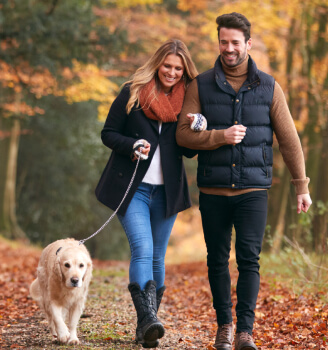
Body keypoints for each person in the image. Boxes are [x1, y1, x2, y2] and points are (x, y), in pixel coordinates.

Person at [176, 13, 312, 350]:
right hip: (212, 189)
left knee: (249, 260)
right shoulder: (201, 85)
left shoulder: (268, 86)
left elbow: (289, 140)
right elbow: (182, 136)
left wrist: (302, 186)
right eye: (224, 42)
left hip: (253, 190)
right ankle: (224, 326)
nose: (229, 48)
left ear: (248, 44)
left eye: (236, 42)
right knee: (217, 260)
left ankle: (245, 332)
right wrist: (220, 136)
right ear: (218, 42)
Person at [95, 39, 199, 348]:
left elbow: (190, 153)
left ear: (184, 71)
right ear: (157, 64)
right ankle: (148, 320)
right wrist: (131, 146)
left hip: (167, 193)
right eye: (167, 66)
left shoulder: (189, 102)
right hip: (133, 188)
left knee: (157, 256)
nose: (171, 72)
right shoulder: (133, 92)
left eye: (178, 69)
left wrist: (195, 128)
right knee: (142, 248)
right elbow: (108, 133)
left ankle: (146, 326)